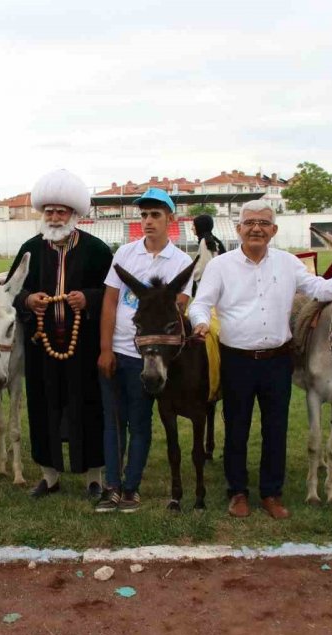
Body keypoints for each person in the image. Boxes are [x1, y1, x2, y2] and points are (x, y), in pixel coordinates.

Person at [189, 200, 332, 519]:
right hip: (237, 360)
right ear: (239, 229)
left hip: (277, 361)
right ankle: (237, 492)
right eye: (250, 223)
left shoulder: (288, 263)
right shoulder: (221, 266)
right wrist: (201, 322)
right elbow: (199, 303)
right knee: (237, 428)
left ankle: (271, 494)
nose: (256, 228)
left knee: (276, 429)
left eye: (264, 223)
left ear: (274, 230)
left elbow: (317, 288)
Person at [7, 169, 114, 499]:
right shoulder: (29, 248)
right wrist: (28, 299)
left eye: (60, 211)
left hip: (84, 345)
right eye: (49, 211)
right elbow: (12, 289)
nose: (54, 217)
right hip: (42, 345)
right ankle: (49, 475)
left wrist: (89, 298)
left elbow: (111, 293)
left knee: (89, 406)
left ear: (74, 214)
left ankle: (94, 476)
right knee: (43, 407)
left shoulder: (96, 249)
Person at [97, 188, 192, 513]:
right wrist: (105, 349)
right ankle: (111, 486)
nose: (148, 221)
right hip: (118, 352)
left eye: (155, 215)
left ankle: (131, 488)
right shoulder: (124, 254)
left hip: (148, 358)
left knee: (139, 421)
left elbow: (178, 309)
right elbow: (110, 302)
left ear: (170, 219)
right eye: (144, 215)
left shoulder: (180, 263)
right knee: (113, 421)